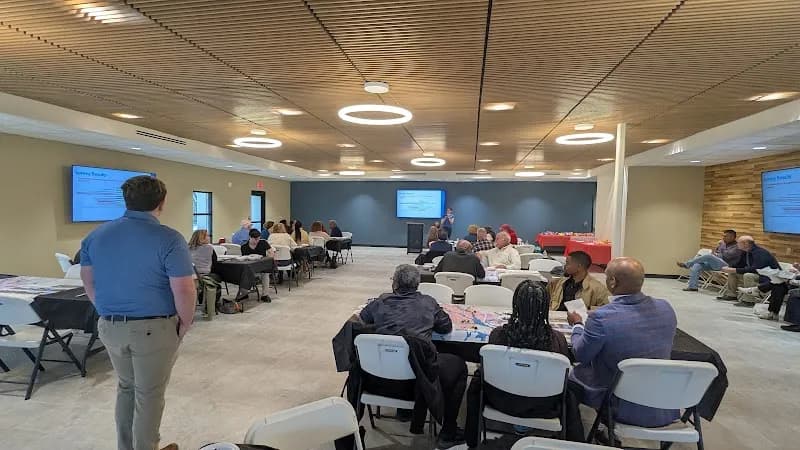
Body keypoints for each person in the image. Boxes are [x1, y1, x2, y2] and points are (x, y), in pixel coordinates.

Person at [79, 175, 194, 450]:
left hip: (110, 326)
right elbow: (184, 289)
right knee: (149, 394)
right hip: (154, 329)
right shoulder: (169, 238)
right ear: (161, 203)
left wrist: (107, 312)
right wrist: (185, 322)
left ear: (126, 200)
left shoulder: (95, 236)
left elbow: (88, 282)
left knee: (126, 388)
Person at [358, 264, 468, 448]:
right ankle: (448, 429)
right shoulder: (428, 303)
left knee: (403, 355)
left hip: (378, 380)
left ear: (395, 284)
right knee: (459, 365)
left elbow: (363, 318)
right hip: (419, 382)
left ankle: (403, 411)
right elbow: (446, 327)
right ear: (418, 284)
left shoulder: (380, 301)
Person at [567, 257, 679, 429]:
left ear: (612, 281)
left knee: (568, 377)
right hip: (663, 403)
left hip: (618, 403)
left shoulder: (601, 318)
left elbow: (581, 354)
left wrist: (577, 325)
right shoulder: (666, 308)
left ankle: (574, 435)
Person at [465, 281, 578, 447]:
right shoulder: (557, 340)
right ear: (545, 306)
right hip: (544, 405)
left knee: (477, 380)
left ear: (515, 304)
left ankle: (471, 437)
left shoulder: (498, 336)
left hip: (500, 400)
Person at [719, 236, 779, 303]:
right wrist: (730, 268)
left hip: (767, 277)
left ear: (745, 244)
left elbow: (756, 269)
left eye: (738, 243)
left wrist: (735, 270)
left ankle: (749, 300)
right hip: (757, 274)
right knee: (733, 273)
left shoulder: (760, 253)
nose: (737, 244)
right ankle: (731, 295)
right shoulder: (745, 252)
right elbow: (740, 264)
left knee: (748, 275)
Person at [676, 229, 741, 291]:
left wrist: (717, 251)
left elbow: (726, 256)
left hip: (727, 266)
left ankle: (687, 264)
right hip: (716, 264)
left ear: (732, 237)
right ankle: (693, 287)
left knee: (708, 256)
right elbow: (716, 252)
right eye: (723, 236)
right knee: (697, 265)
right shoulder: (723, 244)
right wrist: (717, 249)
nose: (723, 238)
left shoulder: (737, 246)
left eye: (725, 236)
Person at [239, 229, 273, 302]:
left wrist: (269, 258)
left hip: (262, 267)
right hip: (250, 268)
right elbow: (244, 259)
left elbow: (271, 252)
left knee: (265, 274)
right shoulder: (244, 247)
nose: (257, 241)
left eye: (258, 239)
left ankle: (265, 295)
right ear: (250, 237)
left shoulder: (263, 243)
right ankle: (244, 293)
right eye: (255, 239)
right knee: (242, 273)